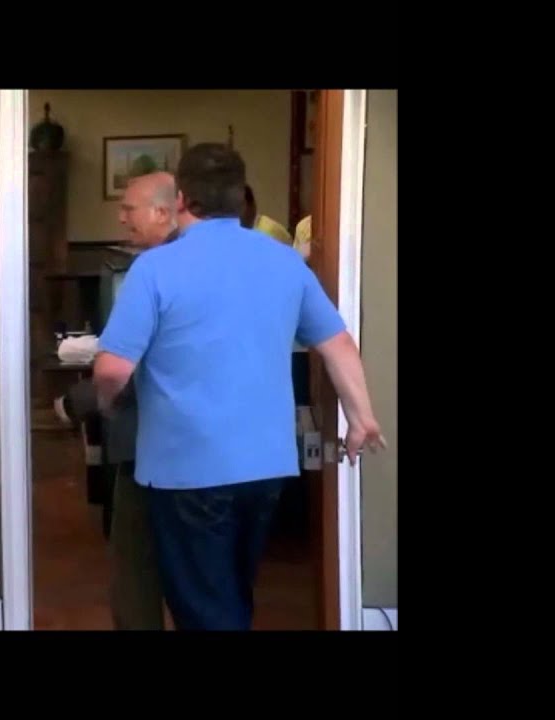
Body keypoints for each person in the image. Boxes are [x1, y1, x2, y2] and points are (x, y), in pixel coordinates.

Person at [93, 143, 386, 631]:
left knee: (206, 610)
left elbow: (111, 370)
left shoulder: (155, 268)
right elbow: (338, 344)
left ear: (182, 199)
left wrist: (107, 404)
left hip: (187, 471)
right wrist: (361, 417)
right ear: (237, 196)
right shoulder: (285, 262)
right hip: (265, 467)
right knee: (230, 593)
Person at [55, 171, 177, 630]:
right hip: (210, 454)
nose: (121, 217)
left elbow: (122, 368)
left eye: (129, 209)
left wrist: (83, 400)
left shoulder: (151, 271)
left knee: (135, 569)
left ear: (163, 212)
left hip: (148, 444)